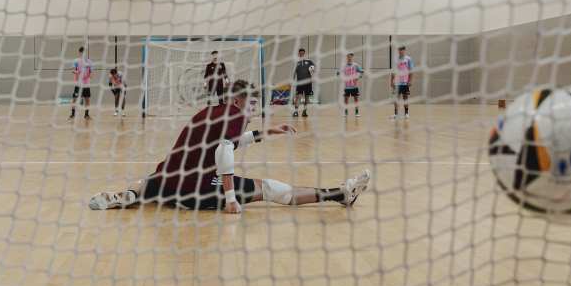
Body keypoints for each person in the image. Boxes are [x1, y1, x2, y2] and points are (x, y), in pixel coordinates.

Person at [87, 80, 370, 213]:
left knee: (146, 179)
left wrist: (268, 131)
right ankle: (339, 194)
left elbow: (227, 142)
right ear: (237, 101)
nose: (254, 110)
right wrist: (231, 198)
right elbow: (224, 152)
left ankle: (127, 195)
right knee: (269, 188)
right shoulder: (234, 116)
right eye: (252, 105)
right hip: (198, 190)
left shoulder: (211, 112)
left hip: (168, 180)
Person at [69, 46, 94, 119]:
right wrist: (76, 72)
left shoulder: (89, 61)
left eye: (84, 52)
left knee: (87, 99)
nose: (83, 54)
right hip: (78, 83)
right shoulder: (76, 61)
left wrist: (91, 75)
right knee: (74, 98)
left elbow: (91, 72)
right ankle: (73, 115)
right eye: (81, 52)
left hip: (86, 84)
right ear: (79, 53)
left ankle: (86, 115)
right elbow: (73, 70)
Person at [292, 48, 316, 118]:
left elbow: (313, 69)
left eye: (303, 52)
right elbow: (294, 73)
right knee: (298, 97)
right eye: (300, 52)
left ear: (304, 53)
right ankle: (296, 111)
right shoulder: (296, 62)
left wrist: (313, 73)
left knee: (307, 97)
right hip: (299, 83)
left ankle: (304, 111)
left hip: (308, 82)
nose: (301, 53)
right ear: (299, 53)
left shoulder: (309, 61)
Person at [391, 46, 414, 120]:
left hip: (405, 82)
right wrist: (392, 81)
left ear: (404, 50)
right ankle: (396, 114)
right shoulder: (396, 60)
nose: (401, 51)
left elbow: (411, 71)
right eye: (399, 50)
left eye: (402, 50)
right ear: (398, 51)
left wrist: (410, 80)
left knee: (405, 98)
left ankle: (406, 113)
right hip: (397, 83)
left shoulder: (408, 59)